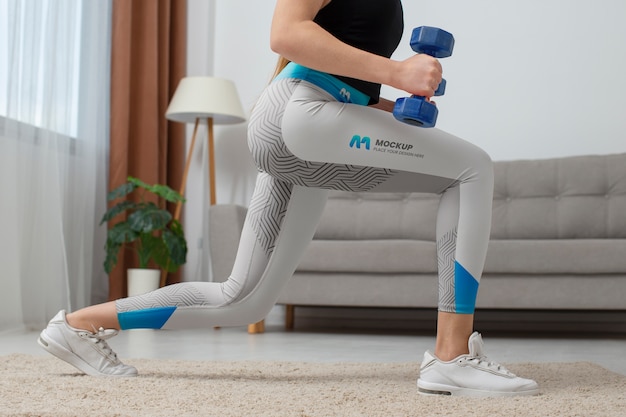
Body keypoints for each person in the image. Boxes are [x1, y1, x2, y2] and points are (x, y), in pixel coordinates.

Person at [38, 0, 539, 397]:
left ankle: (77, 326)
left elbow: (339, 68)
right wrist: (396, 72)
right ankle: (451, 357)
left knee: (245, 299)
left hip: (307, 126)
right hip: (300, 117)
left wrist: (389, 101)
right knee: (472, 168)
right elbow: (286, 34)